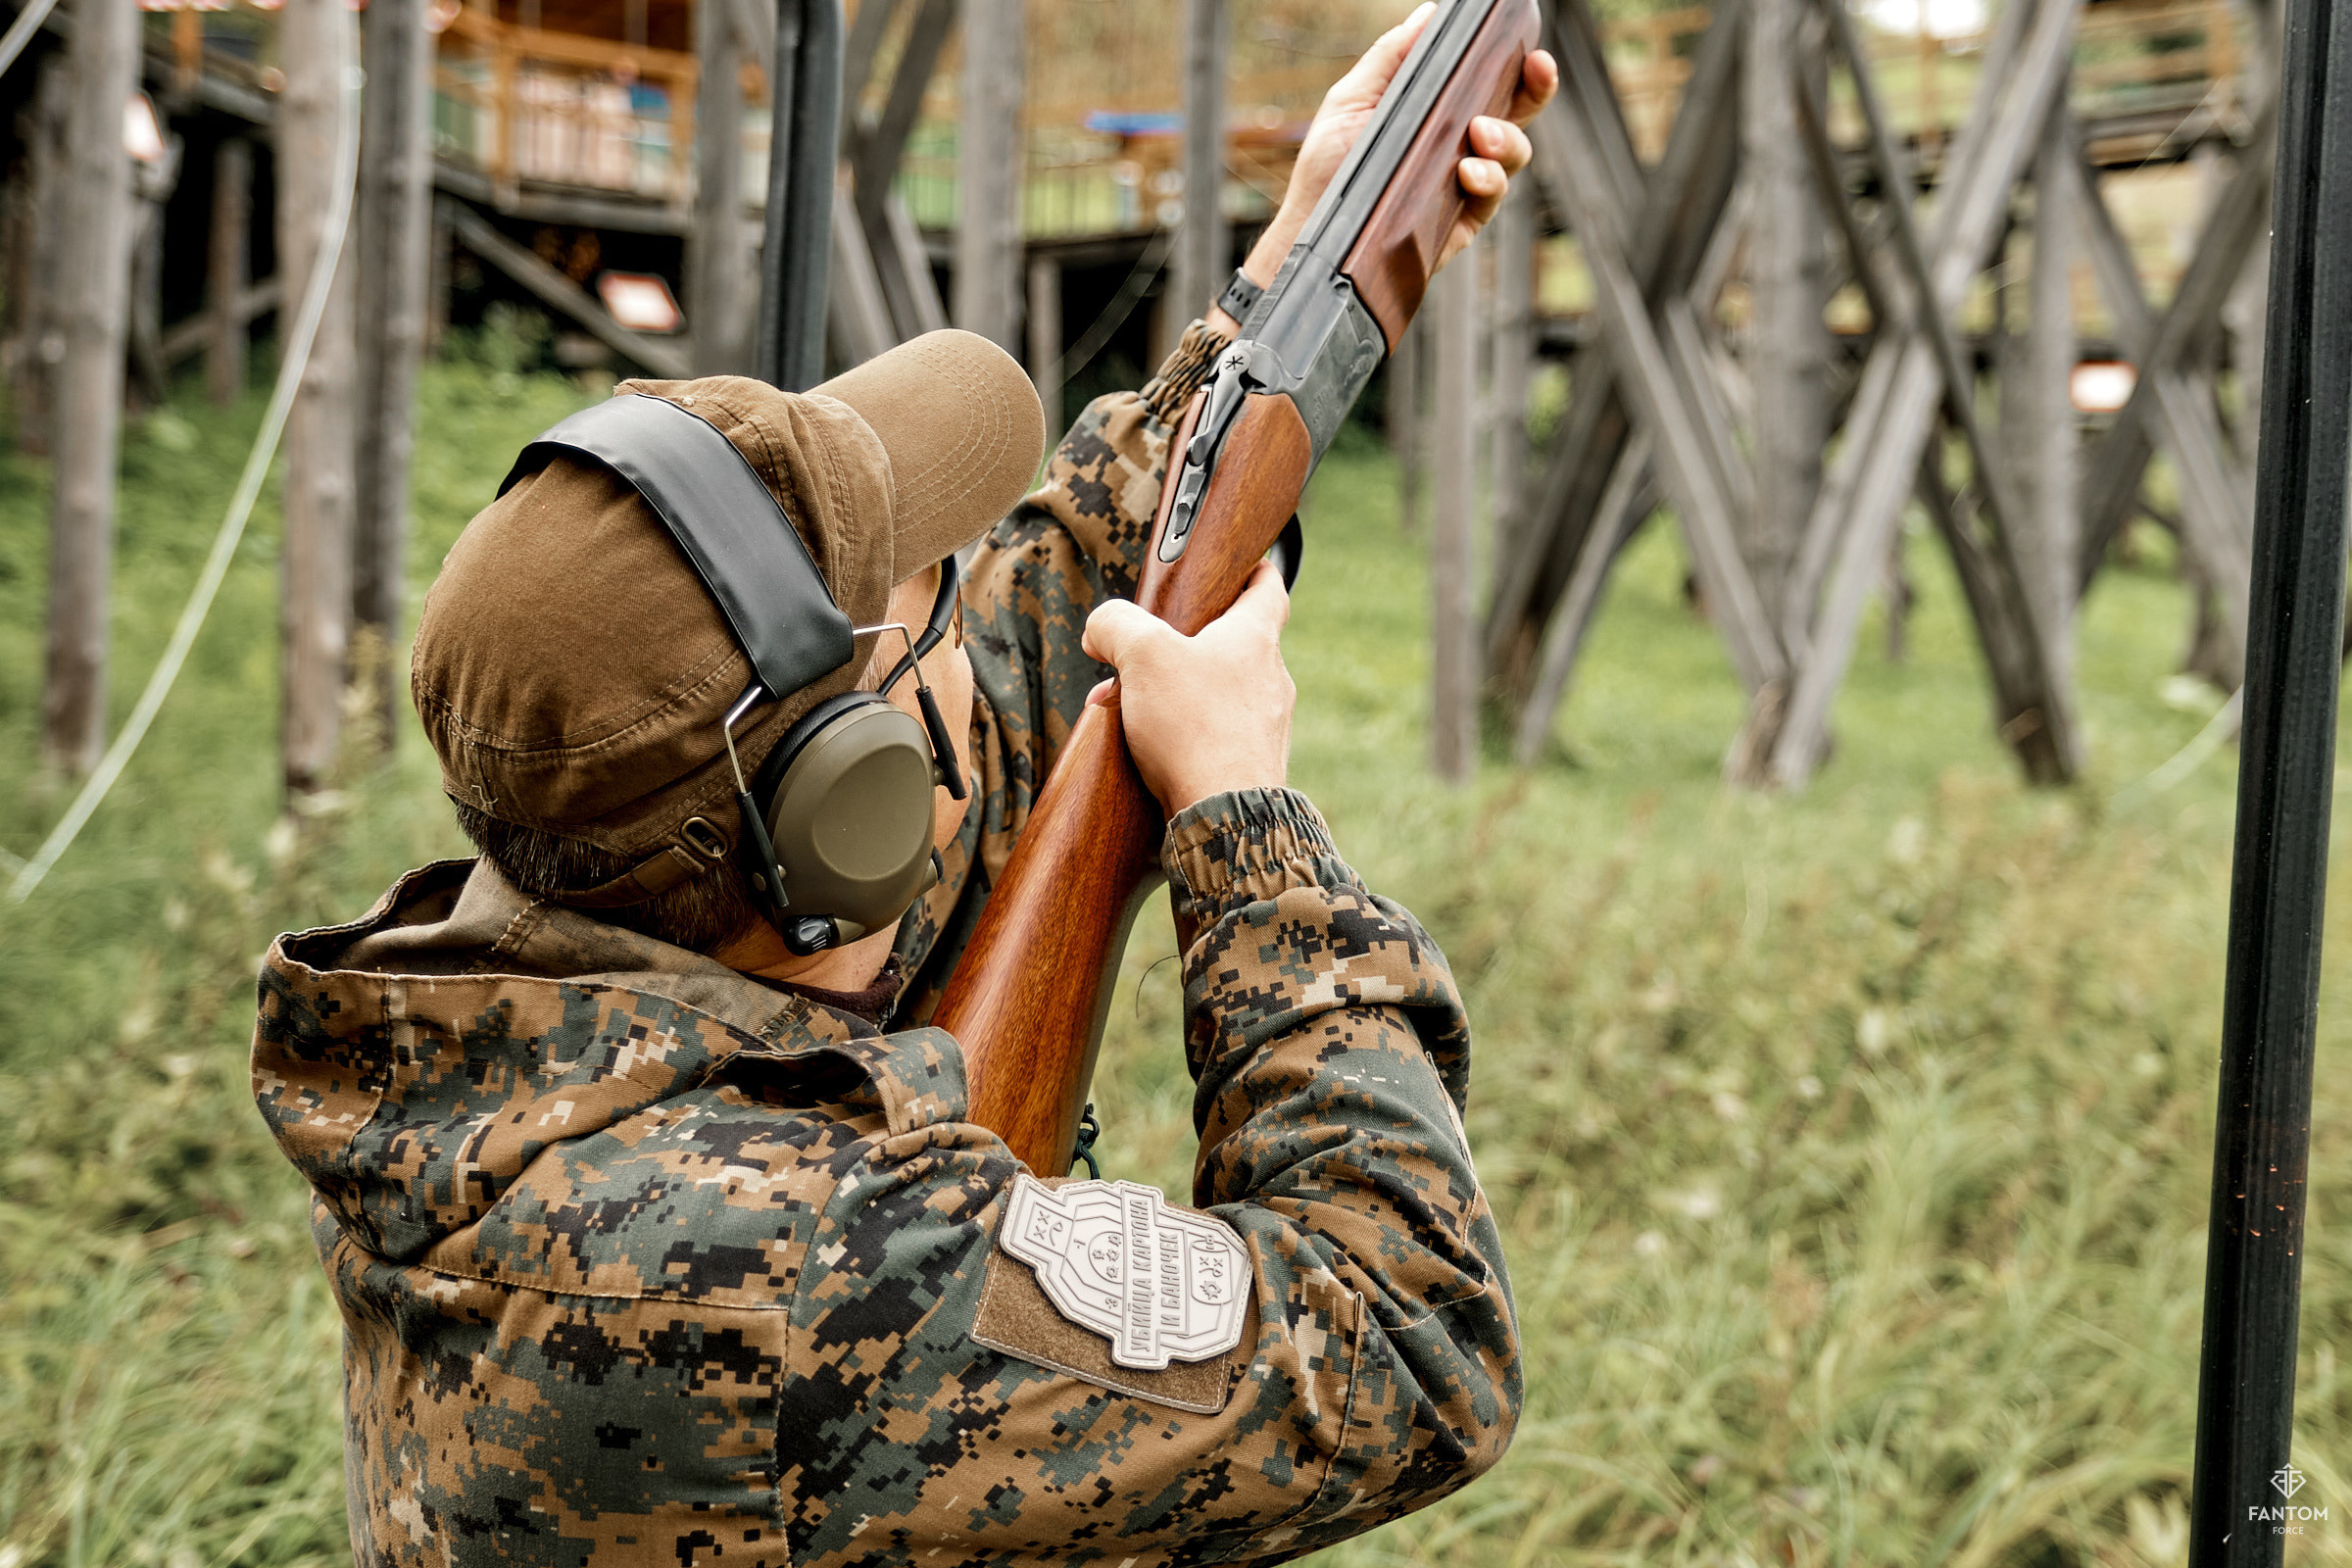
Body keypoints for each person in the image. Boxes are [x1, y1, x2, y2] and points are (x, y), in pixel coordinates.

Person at [252, 11, 1556, 1564]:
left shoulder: (546, 1025)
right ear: (844, 814)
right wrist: (1244, 828)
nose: (974, 607)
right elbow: (1409, 1342)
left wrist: (1314, 252)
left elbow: (1036, 628)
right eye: (928, 603)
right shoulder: (797, 1274)